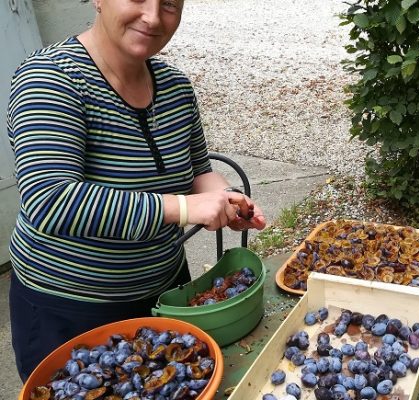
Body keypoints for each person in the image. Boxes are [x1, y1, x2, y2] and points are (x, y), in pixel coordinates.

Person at [6, 0, 266, 381]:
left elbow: (198, 172)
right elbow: (51, 200)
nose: (153, 17)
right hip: (71, 310)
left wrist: (226, 198)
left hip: (165, 295)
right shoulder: (50, 79)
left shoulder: (175, 86)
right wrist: (182, 208)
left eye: (170, 5)